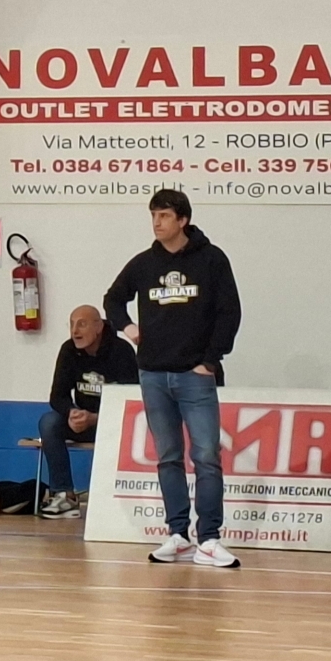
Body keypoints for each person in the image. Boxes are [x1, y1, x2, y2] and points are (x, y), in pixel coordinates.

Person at [104, 189, 242, 569]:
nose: (157, 223)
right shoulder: (143, 263)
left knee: (206, 456)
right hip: (153, 374)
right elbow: (113, 299)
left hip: (195, 375)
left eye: (164, 215)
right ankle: (178, 534)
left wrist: (210, 360)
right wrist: (128, 328)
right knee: (168, 457)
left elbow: (229, 312)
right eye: (153, 215)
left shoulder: (212, 259)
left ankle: (209, 539)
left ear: (183, 220)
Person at [37, 305, 137, 520]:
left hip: (114, 424)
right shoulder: (68, 350)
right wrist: (72, 412)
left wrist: (97, 418)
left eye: (81, 324)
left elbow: (132, 399)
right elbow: (57, 395)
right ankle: (64, 494)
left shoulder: (122, 351)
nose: (75, 331)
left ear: (99, 327)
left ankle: (114, 500)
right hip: (82, 421)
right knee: (49, 423)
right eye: (71, 325)